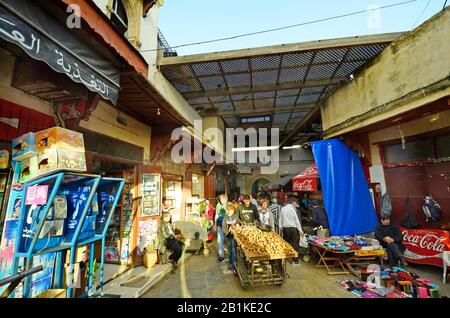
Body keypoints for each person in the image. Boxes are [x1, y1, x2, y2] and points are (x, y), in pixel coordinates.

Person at [279, 197, 304, 265]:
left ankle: (283, 259)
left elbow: (280, 219)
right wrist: (300, 230)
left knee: (286, 244)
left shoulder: (283, 209)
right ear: (293, 203)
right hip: (293, 229)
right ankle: (294, 261)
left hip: (285, 229)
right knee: (295, 245)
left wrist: (281, 229)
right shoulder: (292, 209)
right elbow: (297, 221)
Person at [222, 203, 239, 274]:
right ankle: (230, 263)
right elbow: (223, 227)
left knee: (234, 250)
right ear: (228, 210)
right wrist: (227, 232)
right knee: (229, 250)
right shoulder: (225, 217)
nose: (231, 212)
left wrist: (237, 225)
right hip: (229, 236)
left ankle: (234, 264)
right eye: (230, 210)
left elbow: (238, 222)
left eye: (232, 210)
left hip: (234, 236)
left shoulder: (235, 216)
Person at [215, 194, 228, 262]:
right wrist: (215, 225)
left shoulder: (229, 204)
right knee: (220, 241)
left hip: (228, 226)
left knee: (229, 241)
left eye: (223, 200)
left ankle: (231, 254)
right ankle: (221, 255)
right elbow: (216, 215)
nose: (222, 201)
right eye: (220, 200)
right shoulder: (218, 205)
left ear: (225, 199)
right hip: (220, 225)